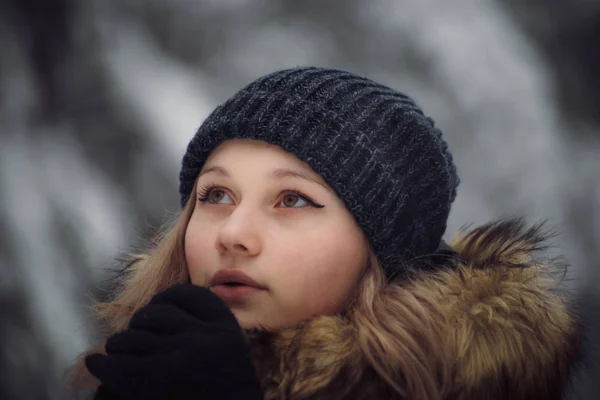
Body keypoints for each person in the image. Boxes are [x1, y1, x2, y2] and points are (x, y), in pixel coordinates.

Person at [69, 67, 582, 400]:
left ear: (383, 250)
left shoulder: (479, 387)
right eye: (216, 195)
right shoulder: (149, 366)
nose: (233, 233)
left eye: (292, 199)